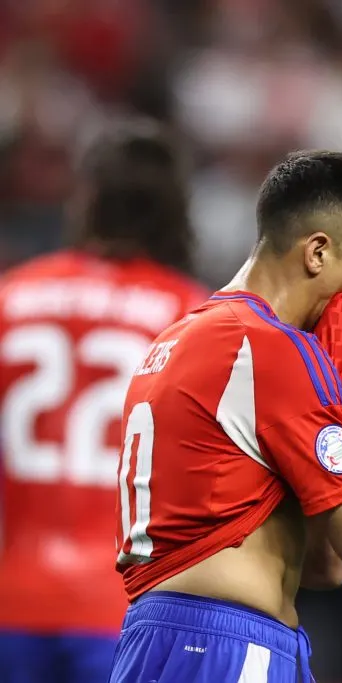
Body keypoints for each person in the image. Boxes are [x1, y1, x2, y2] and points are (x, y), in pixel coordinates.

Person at [107, 150, 342, 683]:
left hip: (158, 640)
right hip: (225, 648)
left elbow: (325, 565)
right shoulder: (271, 350)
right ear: (318, 252)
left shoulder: (182, 337)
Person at [0, 120, 207, 683]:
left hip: (11, 600)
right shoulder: (193, 319)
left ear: (86, 198)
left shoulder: (11, 297)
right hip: (126, 610)